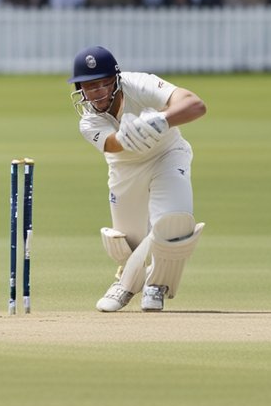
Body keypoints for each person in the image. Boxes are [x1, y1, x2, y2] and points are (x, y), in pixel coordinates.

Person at [68, 46, 207, 313]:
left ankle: (157, 284)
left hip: (167, 155)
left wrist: (162, 121)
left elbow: (196, 105)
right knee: (125, 243)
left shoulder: (139, 83)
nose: (95, 93)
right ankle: (127, 282)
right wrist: (129, 135)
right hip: (125, 169)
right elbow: (113, 145)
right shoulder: (88, 122)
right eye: (88, 87)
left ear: (116, 80)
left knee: (173, 221)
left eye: (101, 84)